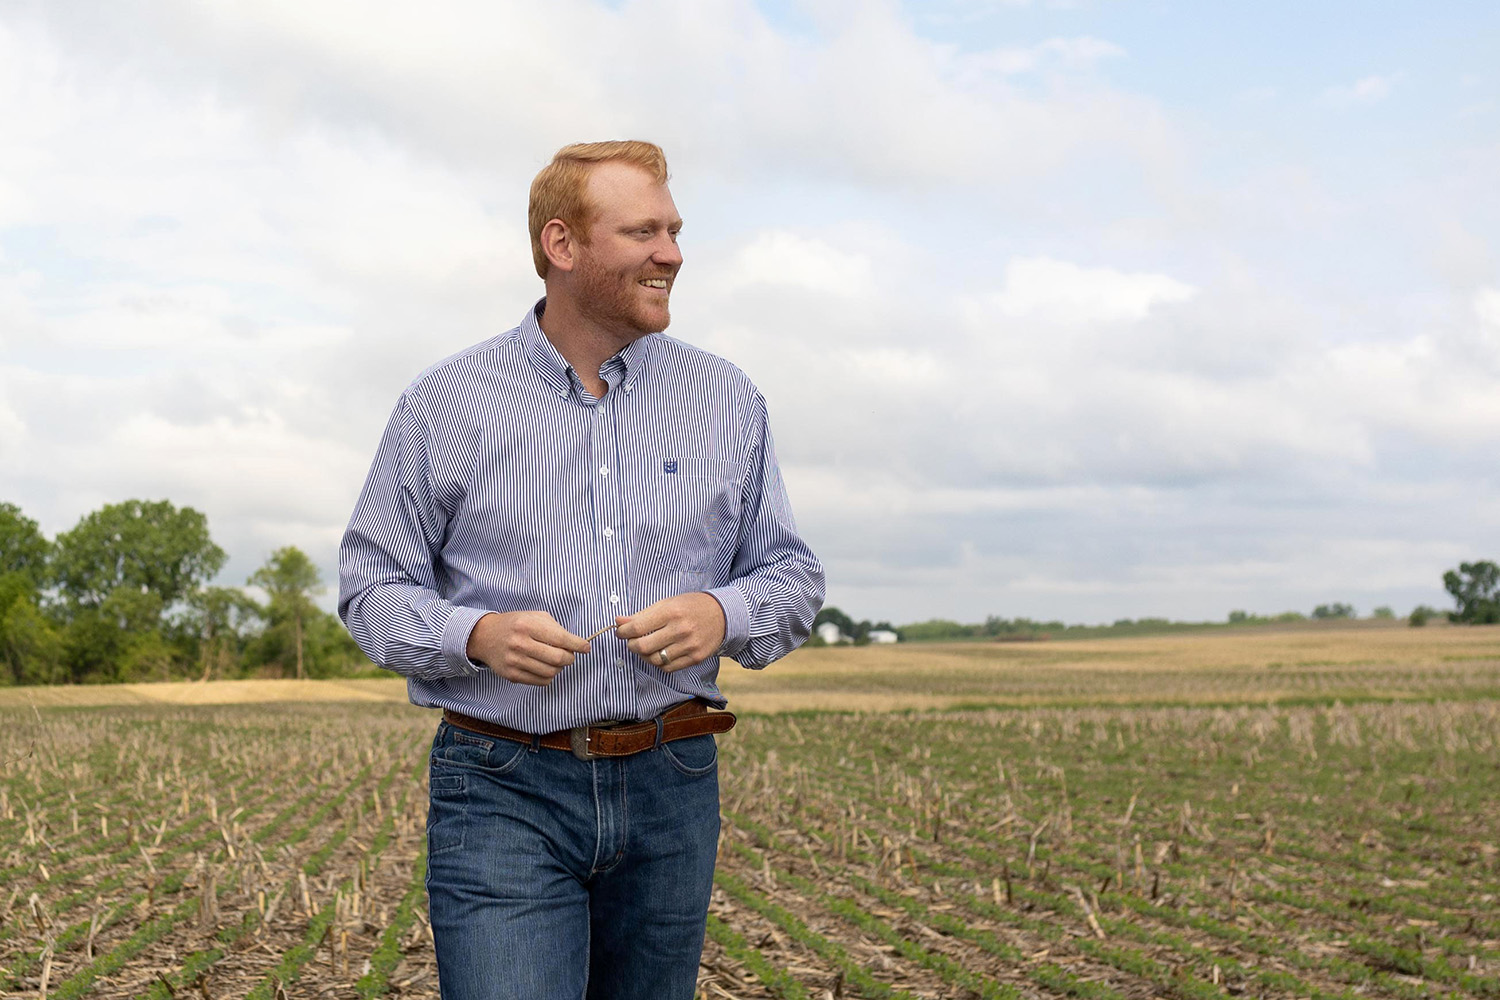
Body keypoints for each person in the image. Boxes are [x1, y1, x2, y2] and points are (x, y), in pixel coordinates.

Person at [337, 140, 824, 1000]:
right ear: (562, 246)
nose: (672, 253)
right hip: (502, 788)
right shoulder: (445, 403)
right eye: (643, 232)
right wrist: (476, 635)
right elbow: (370, 588)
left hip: (673, 784)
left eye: (674, 231)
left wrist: (722, 614)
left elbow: (790, 576)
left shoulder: (727, 400)